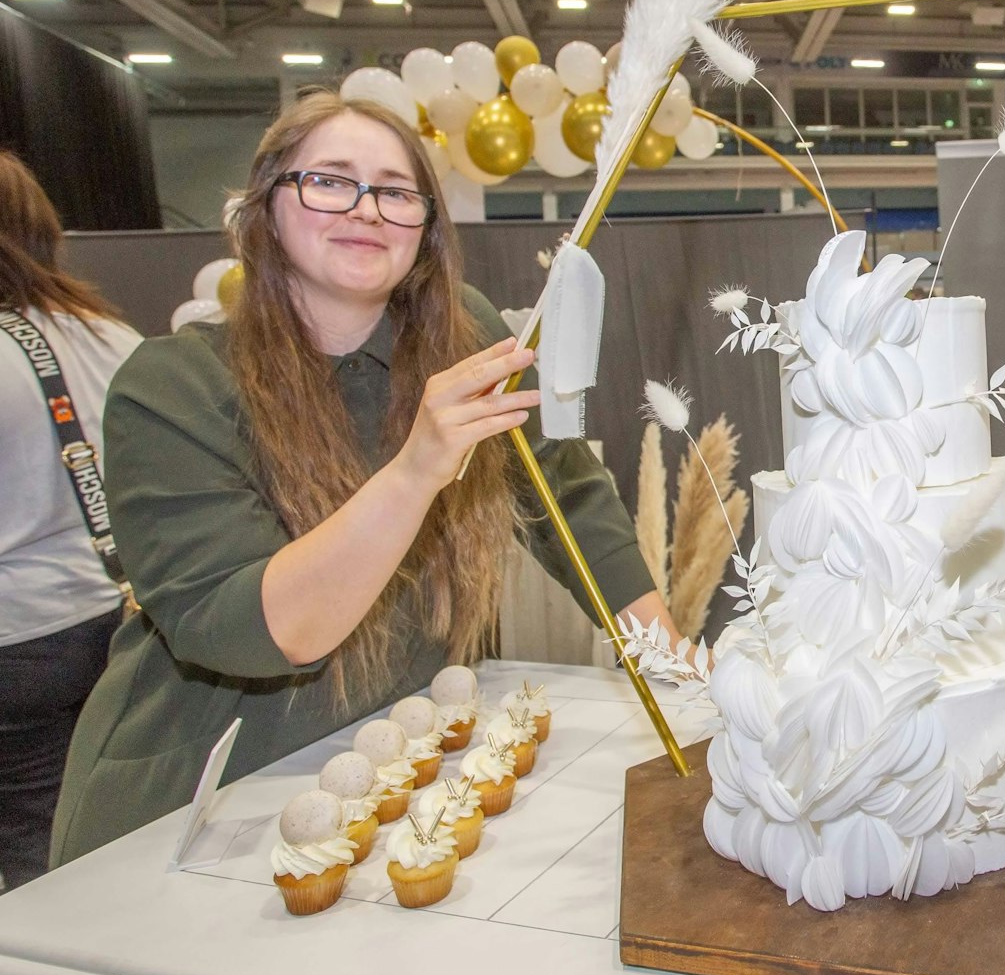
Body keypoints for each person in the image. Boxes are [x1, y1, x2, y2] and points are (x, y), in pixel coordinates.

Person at [49, 92, 674, 869]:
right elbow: (255, 629)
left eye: (395, 191)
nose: (366, 209)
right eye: (330, 181)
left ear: (426, 228)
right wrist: (416, 469)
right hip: (202, 805)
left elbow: (566, 495)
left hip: (389, 768)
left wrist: (677, 668)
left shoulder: (461, 334)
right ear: (266, 208)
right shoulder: (173, 385)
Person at [0, 153, 141, 894]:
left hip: (18, 638)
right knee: (105, 828)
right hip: (119, 618)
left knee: (34, 856)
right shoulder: (111, 337)